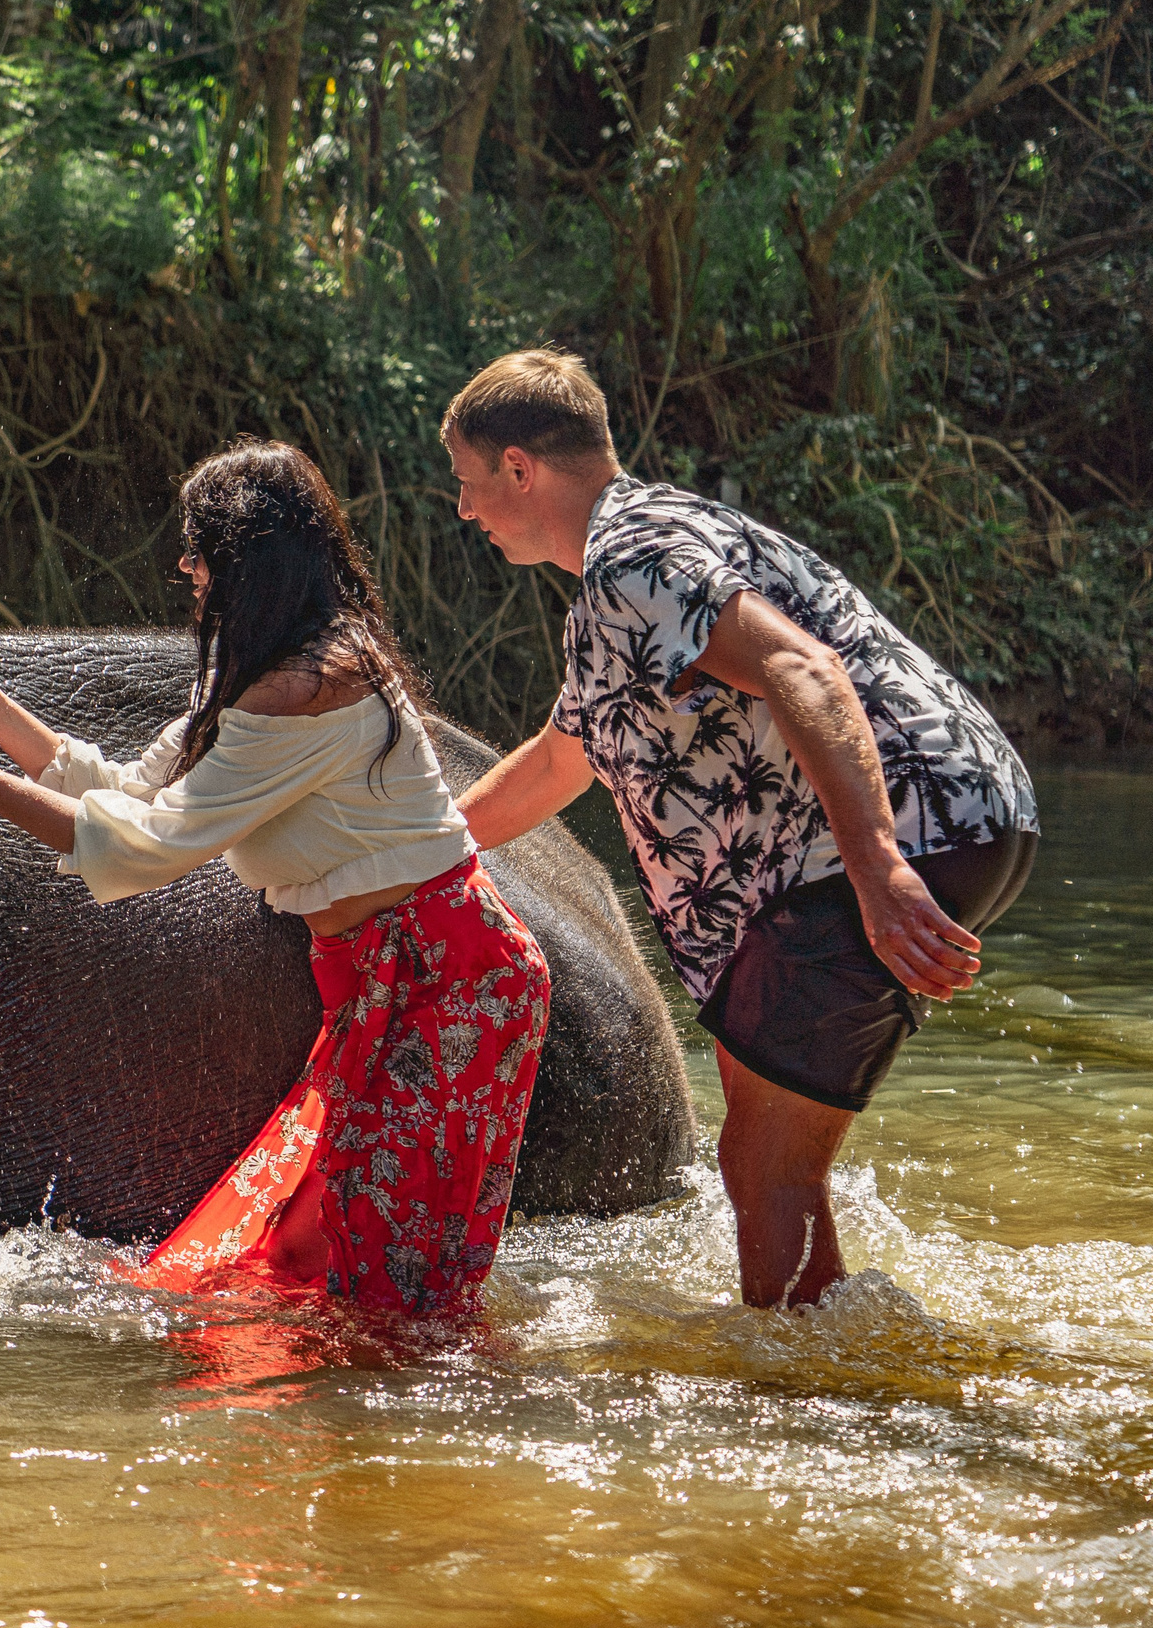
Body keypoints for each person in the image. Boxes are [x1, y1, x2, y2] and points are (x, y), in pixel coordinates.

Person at [0, 440, 551, 1316]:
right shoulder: (265, 674)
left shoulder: (316, 685)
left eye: (200, 549)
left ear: (248, 562)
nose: (185, 567)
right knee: (321, 1256)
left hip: (451, 984)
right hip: (389, 981)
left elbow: (147, 846)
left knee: (387, 1292)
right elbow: (131, 793)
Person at [443, 349, 1039, 1309]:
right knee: (763, 1162)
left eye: (471, 484)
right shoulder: (629, 571)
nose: (464, 509)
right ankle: (839, 1367)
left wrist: (877, 865)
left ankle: (810, 1414)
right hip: (942, 818)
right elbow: (564, 759)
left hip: (894, 834)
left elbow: (805, 673)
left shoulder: (632, 557)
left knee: (765, 1173)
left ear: (521, 468)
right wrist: (423, 844)